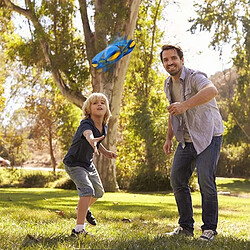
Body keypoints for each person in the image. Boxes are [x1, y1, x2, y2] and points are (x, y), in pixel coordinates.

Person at [160, 45, 224, 241]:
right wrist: (169, 137)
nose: (170, 62)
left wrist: (185, 105)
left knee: (205, 179)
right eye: (166, 60)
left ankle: (209, 229)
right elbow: (174, 112)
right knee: (177, 179)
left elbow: (212, 90)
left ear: (181, 59)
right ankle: (186, 226)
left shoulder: (195, 77)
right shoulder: (168, 85)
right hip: (186, 139)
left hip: (208, 135)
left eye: (173, 58)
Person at [63, 93, 117, 236]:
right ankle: (78, 230)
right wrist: (91, 139)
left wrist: (105, 152)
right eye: (95, 103)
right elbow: (89, 135)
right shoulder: (86, 124)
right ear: (88, 108)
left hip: (87, 164)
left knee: (99, 192)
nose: (99, 105)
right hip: (74, 163)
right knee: (87, 190)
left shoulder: (104, 126)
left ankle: (82, 208)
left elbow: (97, 142)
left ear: (106, 108)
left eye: (102, 103)